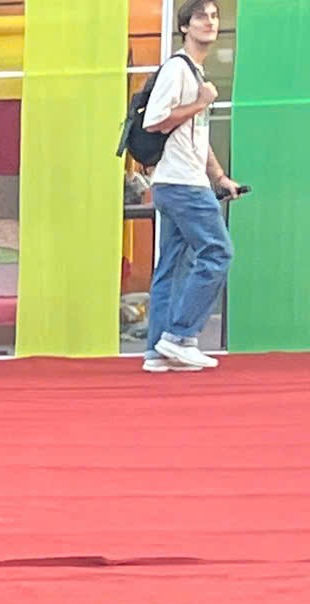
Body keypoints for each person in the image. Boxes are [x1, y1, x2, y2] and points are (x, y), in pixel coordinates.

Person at [141, 0, 240, 373]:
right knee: (218, 252)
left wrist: (219, 177)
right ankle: (180, 336)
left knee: (172, 267)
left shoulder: (195, 73)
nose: (210, 22)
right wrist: (201, 102)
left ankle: (157, 352)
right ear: (185, 27)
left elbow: (195, 136)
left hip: (181, 181)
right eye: (201, 17)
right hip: (181, 184)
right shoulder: (178, 70)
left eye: (214, 17)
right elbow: (155, 122)